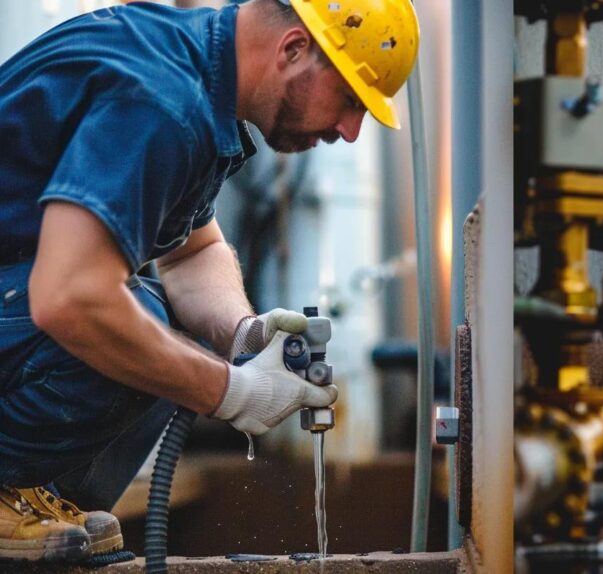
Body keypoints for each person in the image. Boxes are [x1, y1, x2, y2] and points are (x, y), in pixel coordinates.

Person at [0, 0, 419, 562]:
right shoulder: (162, 99)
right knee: (134, 320)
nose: (349, 131)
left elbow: (192, 251)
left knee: (164, 328)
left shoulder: (194, 76)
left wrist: (244, 337)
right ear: (294, 50)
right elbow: (70, 299)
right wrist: (230, 392)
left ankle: (28, 498)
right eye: (349, 99)